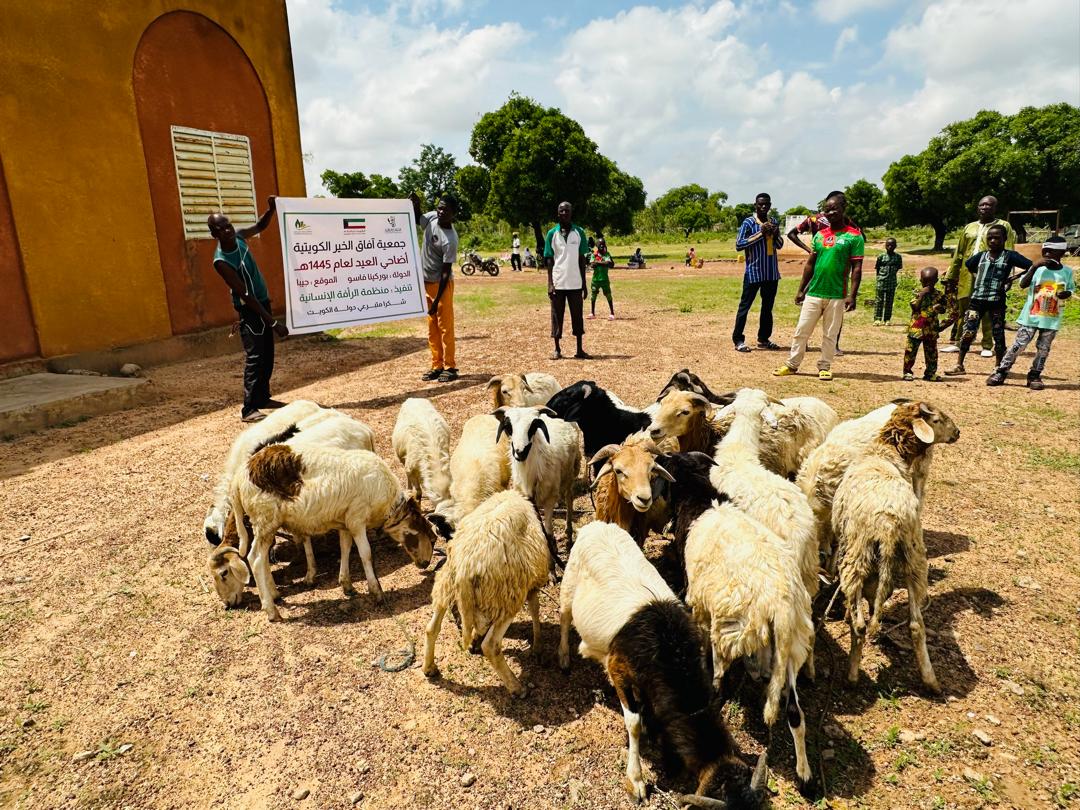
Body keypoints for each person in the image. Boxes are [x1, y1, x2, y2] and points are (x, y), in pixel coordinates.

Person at [208, 197, 289, 423]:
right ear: (214, 234)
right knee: (255, 356)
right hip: (250, 309)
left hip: (262, 303)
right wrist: (272, 322)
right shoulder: (221, 261)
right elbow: (244, 294)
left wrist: (271, 209)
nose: (227, 230)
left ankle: (263, 398)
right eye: (220, 228)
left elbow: (261, 226)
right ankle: (249, 408)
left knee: (267, 354)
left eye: (228, 225)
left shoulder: (240, 237)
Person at [773, 192, 863, 381]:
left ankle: (825, 366)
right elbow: (810, 264)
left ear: (843, 208)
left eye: (834, 209)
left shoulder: (854, 237)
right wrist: (801, 290)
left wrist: (852, 295)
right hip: (814, 292)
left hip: (837, 294)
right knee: (801, 330)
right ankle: (792, 364)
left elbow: (857, 268)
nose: (830, 213)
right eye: (827, 209)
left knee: (830, 334)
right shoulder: (820, 235)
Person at [944, 223, 1034, 377]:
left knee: (998, 334)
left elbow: (1030, 266)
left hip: (997, 301)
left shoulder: (1010, 256)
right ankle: (959, 365)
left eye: (997, 238)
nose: (993, 241)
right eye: (990, 238)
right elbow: (969, 265)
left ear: (1005, 239)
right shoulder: (981, 256)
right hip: (977, 300)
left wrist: (1012, 278)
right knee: (968, 332)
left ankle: (998, 366)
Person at [987, 235, 1074, 390]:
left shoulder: (1066, 272)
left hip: (1051, 318)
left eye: (1050, 252)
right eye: (1044, 251)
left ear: (1061, 253)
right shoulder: (1038, 269)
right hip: (1031, 316)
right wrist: (1033, 267)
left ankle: (1035, 375)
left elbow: (1070, 290)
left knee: (1043, 348)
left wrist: (1066, 293)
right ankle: (1001, 370)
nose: (1046, 255)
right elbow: (1022, 284)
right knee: (1019, 345)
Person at [942, 195, 1016, 356]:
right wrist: (951, 276)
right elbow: (959, 253)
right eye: (982, 205)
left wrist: (1007, 276)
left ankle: (987, 345)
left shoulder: (1004, 226)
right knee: (964, 308)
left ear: (995, 208)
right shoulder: (969, 227)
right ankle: (959, 341)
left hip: (991, 273)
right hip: (966, 273)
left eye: (989, 205)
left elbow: (1009, 251)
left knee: (988, 309)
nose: (985, 208)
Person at [411, 192, 460, 383]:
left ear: (453, 214)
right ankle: (436, 365)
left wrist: (437, 300)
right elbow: (417, 219)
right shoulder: (431, 217)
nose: (440, 211)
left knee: (445, 327)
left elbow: (446, 273)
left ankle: (450, 366)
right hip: (426, 282)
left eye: (445, 210)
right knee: (432, 327)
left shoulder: (450, 239)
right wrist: (416, 204)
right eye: (439, 207)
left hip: (442, 286)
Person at [733, 192, 783, 352]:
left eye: (766, 204)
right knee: (745, 307)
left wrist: (775, 234)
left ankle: (764, 338)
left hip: (771, 272)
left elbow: (780, 245)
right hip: (753, 272)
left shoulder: (773, 221)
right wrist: (760, 233)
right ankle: (738, 340)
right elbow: (739, 245)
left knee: (767, 308)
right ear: (755, 205)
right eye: (760, 204)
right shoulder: (748, 222)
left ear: (770, 205)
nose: (763, 207)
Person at [544, 201, 591, 360]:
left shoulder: (579, 232)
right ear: (557, 213)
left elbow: (582, 259)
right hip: (558, 282)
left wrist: (584, 284)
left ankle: (579, 349)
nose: (564, 213)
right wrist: (550, 284)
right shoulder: (552, 233)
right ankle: (557, 349)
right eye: (561, 211)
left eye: (567, 211)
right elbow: (549, 260)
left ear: (571, 213)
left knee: (577, 316)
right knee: (557, 316)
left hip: (575, 283)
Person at [902, 267, 948, 382]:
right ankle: (907, 372)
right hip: (916, 329)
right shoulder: (917, 292)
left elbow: (944, 309)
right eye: (925, 281)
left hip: (931, 329)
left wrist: (940, 307)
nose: (927, 284)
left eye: (930, 282)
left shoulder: (939, 295)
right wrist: (922, 295)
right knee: (910, 351)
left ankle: (930, 373)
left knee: (932, 353)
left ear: (936, 281)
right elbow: (915, 307)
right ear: (920, 280)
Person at [874, 237, 903, 324]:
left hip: (892, 282)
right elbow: (877, 268)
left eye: (892, 245)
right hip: (881, 281)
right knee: (879, 301)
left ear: (895, 246)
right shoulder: (881, 256)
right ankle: (877, 319)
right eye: (888, 245)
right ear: (885, 246)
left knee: (889, 302)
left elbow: (898, 267)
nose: (890, 247)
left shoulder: (898, 257)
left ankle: (887, 319)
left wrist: (891, 275)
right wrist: (880, 277)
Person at [588, 240, 616, 320]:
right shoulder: (594, 254)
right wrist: (602, 263)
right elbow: (592, 264)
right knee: (593, 296)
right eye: (600, 244)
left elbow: (608, 263)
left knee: (608, 295)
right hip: (595, 279)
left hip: (604, 279)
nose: (602, 245)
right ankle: (592, 313)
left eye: (603, 244)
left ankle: (612, 313)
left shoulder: (607, 254)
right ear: (597, 245)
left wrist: (598, 263)